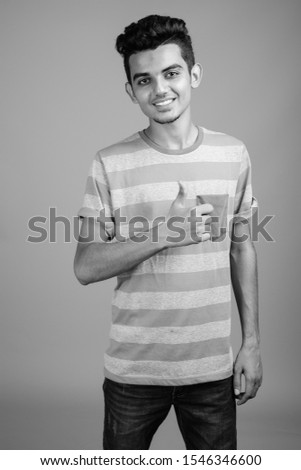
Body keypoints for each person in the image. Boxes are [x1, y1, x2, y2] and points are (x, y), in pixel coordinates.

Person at [74, 14, 262, 450]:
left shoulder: (233, 154)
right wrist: (165, 232)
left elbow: (243, 248)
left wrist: (251, 343)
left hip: (211, 372)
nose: (159, 89)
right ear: (131, 91)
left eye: (171, 73)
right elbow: (84, 267)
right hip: (133, 374)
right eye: (144, 80)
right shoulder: (109, 163)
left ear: (194, 74)